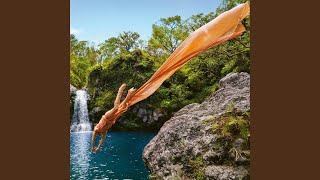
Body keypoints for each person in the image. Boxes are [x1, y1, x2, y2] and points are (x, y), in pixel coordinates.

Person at [91, 83, 135, 153]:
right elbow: (102, 140)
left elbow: (93, 139)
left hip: (107, 117)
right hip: (112, 119)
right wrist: (98, 148)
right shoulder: (104, 131)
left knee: (116, 108)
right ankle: (130, 93)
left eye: (97, 134)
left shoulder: (96, 129)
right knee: (122, 107)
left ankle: (120, 90)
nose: (97, 134)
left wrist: (93, 147)